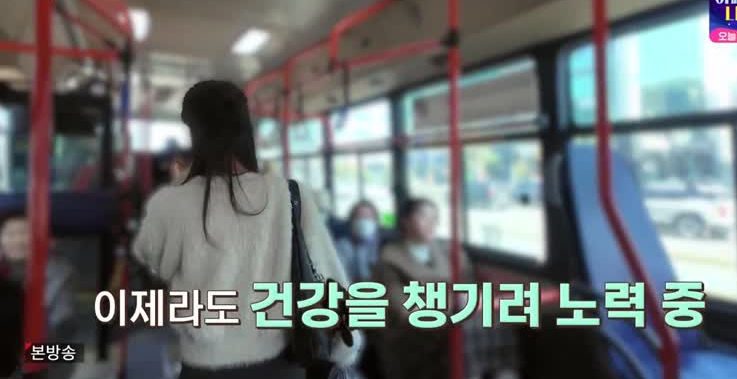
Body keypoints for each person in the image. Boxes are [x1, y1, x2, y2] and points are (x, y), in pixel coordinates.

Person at [131, 80, 361, 379]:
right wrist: (344, 350)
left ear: (194, 132)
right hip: (284, 363)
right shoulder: (290, 194)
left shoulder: (172, 202)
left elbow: (150, 259)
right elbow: (331, 281)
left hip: (204, 365)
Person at [372, 198, 520, 379]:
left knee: (496, 320)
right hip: (413, 329)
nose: (431, 223)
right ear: (406, 221)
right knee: (462, 330)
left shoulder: (448, 249)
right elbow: (403, 310)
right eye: (423, 217)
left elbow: (468, 284)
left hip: (454, 312)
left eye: (435, 218)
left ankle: (503, 371)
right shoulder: (389, 260)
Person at [0, 210, 78, 379]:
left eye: (24, 233)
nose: (17, 240)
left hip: (43, 358)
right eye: (10, 234)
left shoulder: (60, 273)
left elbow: (65, 339)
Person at [335, 200, 381, 284]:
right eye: (359, 218)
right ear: (351, 221)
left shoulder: (383, 245)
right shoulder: (341, 246)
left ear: (375, 221)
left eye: (368, 218)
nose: (363, 222)